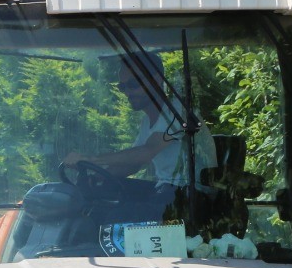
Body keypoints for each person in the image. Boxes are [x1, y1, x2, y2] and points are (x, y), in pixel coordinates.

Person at [60, 50, 215, 194]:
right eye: (122, 86)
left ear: (156, 80)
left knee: (118, 213)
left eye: (133, 84)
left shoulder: (178, 111)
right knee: (106, 195)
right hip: (167, 190)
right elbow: (133, 163)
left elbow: (146, 153)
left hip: (193, 196)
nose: (127, 92)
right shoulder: (147, 121)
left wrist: (90, 159)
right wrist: (97, 177)